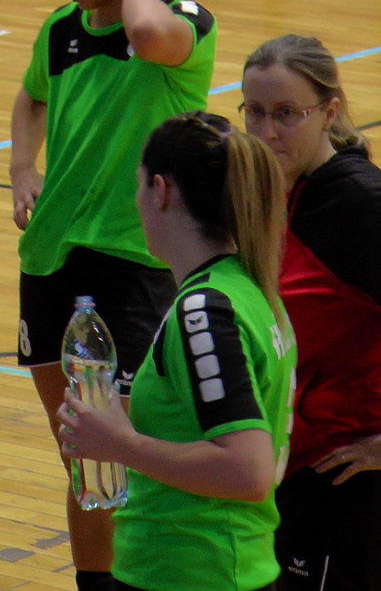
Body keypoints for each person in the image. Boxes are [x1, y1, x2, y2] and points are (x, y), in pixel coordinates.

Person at [8, 0, 217, 591]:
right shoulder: (59, 31)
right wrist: (21, 166)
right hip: (48, 259)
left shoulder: (183, 21)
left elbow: (149, 36)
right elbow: (30, 97)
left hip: (131, 262)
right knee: (82, 457)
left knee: (119, 452)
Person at [57, 113, 295, 591]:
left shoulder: (205, 311)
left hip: (195, 573)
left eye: (138, 185)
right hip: (218, 566)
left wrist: (120, 444)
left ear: (161, 192)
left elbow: (247, 470)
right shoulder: (245, 288)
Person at [240, 35, 381, 591]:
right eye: (255, 112)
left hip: (346, 479)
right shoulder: (270, 191)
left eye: (286, 114)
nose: (268, 131)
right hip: (286, 468)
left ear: (328, 111)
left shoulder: (361, 204)